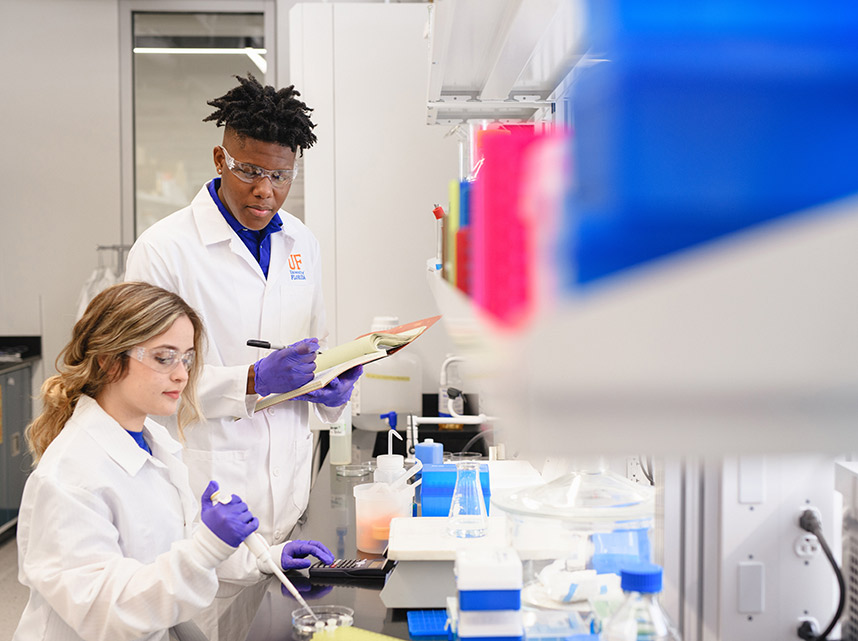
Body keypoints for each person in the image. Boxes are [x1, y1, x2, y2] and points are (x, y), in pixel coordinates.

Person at [125, 73, 351, 581]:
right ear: (219, 158)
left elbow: (316, 345)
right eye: (249, 170)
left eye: (282, 176)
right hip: (202, 516)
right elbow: (140, 381)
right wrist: (250, 382)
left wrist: (329, 388)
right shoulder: (163, 250)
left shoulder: (302, 243)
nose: (265, 190)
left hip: (286, 516)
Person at [13, 281, 260, 641]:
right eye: (164, 357)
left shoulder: (152, 440)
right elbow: (107, 612)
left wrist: (268, 559)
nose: (182, 374)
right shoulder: (69, 478)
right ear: (110, 362)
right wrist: (208, 545)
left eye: (187, 358)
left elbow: (170, 547)